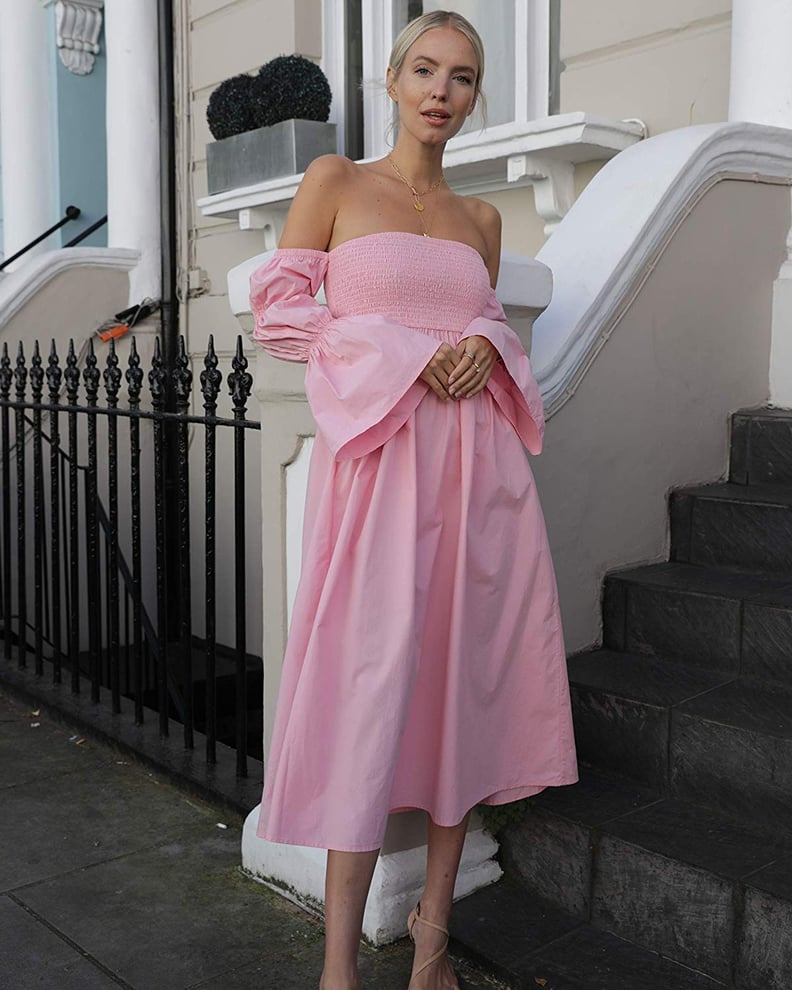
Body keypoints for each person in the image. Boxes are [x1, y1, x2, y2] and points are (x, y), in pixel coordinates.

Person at [249, 10, 577, 990]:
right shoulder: (336, 184)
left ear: (476, 99)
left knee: (463, 689)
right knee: (366, 696)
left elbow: (488, 331)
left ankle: (433, 938)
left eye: (464, 77)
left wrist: (490, 345)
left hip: (481, 483)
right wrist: (408, 353)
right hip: (380, 476)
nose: (442, 90)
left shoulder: (482, 220)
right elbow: (283, 315)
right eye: (426, 70)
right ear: (391, 80)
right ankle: (339, 969)